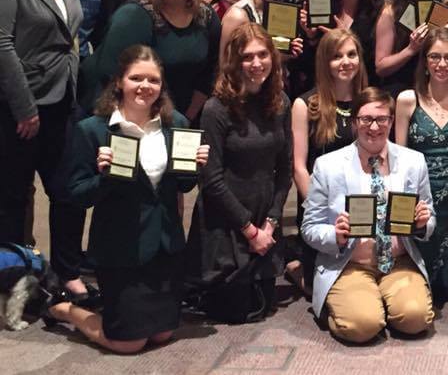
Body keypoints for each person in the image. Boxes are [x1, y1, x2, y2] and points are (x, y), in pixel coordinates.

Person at [50, 45, 208, 353]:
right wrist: (105, 177)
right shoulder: (92, 130)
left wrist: (196, 168)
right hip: (120, 249)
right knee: (129, 344)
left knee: (163, 335)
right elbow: (77, 195)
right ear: (119, 81)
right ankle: (64, 309)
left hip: (164, 245)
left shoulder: (175, 123)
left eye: (154, 80)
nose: (145, 86)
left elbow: (183, 186)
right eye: (137, 78)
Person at [0, 0, 88, 302]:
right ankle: (15, 281)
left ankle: (67, 270)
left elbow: (69, 34)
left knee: (69, 189)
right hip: (22, 106)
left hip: (64, 98)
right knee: (15, 197)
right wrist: (25, 108)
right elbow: (2, 44)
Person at [301, 87, 436, 343]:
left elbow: (430, 215)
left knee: (416, 319)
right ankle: (362, 304)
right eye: (366, 120)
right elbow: (309, 226)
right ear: (354, 123)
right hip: (350, 264)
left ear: (391, 121)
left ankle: (383, 301)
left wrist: (422, 223)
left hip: (399, 262)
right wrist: (336, 235)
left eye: (381, 119)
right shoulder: (328, 165)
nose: (374, 127)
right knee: (362, 326)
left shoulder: (413, 161)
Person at [186, 23, 292, 323]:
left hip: (264, 215)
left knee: (262, 305)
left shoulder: (280, 103)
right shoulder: (215, 109)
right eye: (247, 57)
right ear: (234, 61)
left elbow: (284, 171)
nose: (256, 64)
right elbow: (212, 180)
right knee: (236, 311)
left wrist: (270, 223)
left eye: (262, 55)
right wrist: (249, 230)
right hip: (227, 219)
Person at [79, 0, 221, 121]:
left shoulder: (206, 16)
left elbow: (209, 73)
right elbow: (111, 75)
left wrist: (185, 120)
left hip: (182, 115)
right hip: (130, 113)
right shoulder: (133, 15)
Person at [395, 28, 448, 301]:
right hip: (420, 195)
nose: (442, 64)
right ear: (425, 61)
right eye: (435, 57)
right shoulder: (407, 100)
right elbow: (399, 159)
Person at [287, 29, 368, 295]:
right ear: (324, 61)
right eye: (336, 56)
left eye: (351, 54)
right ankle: (296, 267)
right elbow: (299, 166)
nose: (346, 62)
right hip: (319, 205)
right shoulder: (305, 104)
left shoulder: (368, 101)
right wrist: (318, 209)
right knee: (318, 290)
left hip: (361, 203)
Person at [374, 0, 442, 96]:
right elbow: (381, 68)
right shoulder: (390, 12)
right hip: (399, 91)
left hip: (438, 92)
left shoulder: (447, 8)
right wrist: (411, 49)